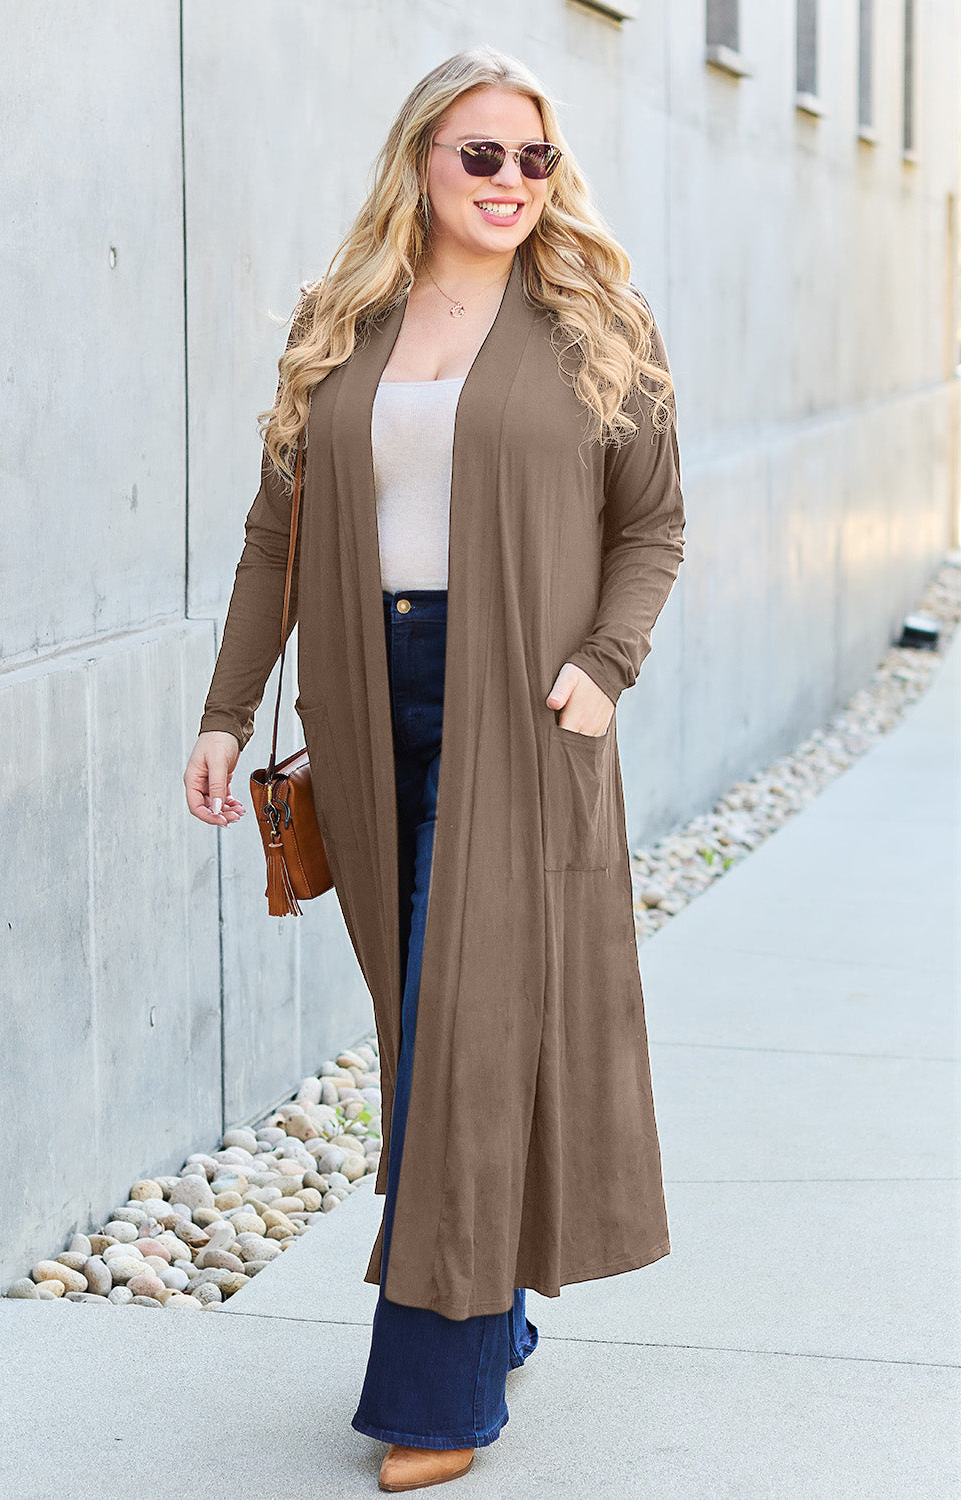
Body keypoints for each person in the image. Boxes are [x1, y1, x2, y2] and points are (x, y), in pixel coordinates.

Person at [184, 44, 685, 1494]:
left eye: (535, 158)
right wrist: (226, 713)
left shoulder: (600, 324)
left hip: (526, 707)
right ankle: (496, 1292)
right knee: (433, 1027)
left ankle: (440, 1386)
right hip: (365, 695)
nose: (513, 183)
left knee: (470, 1024)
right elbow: (276, 539)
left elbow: (652, 527)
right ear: (420, 161)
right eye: (483, 155)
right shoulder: (340, 326)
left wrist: (605, 668)